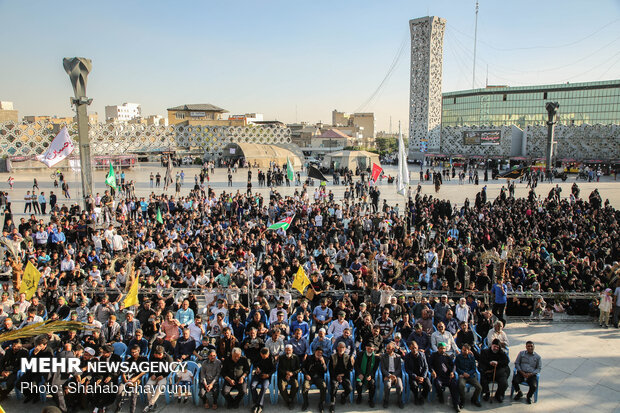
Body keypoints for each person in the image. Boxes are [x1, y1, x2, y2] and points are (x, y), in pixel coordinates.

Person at [429, 342, 461, 412]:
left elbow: (453, 365)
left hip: (447, 376)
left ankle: (456, 404)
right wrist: (432, 371)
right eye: (441, 348)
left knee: (454, 385)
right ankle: (440, 396)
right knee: (437, 383)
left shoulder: (447, 356)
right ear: (438, 348)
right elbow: (430, 365)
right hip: (438, 376)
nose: (442, 350)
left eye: (444, 348)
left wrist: (452, 372)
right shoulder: (434, 355)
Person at [479, 339, 510, 403]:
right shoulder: (485, 352)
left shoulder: (501, 353)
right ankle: (487, 393)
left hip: (498, 373)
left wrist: (498, 363)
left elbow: (506, 362)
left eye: (497, 347)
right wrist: (489, 363)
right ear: (491, 345)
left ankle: (498, 394)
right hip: (488, 372)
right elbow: (481, 361)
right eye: (494, 346)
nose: (496, 348)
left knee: (504, 383)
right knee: (482, 379)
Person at [455, 344, 482, 408]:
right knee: (461, 385)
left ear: (469, 351)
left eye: (465, 350)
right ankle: (462, 400)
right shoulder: (458, 357)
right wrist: (463, 373)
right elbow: (457, 368)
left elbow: (474, 368)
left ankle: (474, 400)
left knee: (479, 387)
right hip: (462, 375)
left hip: (470, 376)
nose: (463, 351)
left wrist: (469, 374)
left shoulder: (472, 357)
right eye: (462, 350)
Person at [328, 342, 353, 412]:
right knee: (334, 386)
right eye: (340, 347)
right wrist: (337, 376)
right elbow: (330, 369)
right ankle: (332, 403)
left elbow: (350, 369)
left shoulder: (348, 357)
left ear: (345, 349)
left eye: (343, 347)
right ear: (337, 348)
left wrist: (342, 376)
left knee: (349, 388)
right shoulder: (333, 357)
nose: (341, 349)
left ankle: (343, 395)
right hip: (335, 376)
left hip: (344, 376)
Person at [404, 341, 431, 405]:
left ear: (418, 347)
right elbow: (407, 369)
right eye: (412, 348)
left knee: (428, 386)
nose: (414, 349)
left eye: (415, 348)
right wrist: (415, 377)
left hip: (422, 375)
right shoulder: (407, 357)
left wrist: (423, 377)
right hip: (413, 376)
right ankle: (416, 397)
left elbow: (426, 367)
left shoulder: (422, 355)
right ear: (410, 348)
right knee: (414, 385)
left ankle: (422, 396)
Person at [302, 348, 327, 413]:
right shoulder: (309, 358)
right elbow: (303, 367)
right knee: (305, 386)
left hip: (318, 377)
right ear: (315, 352)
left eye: (321, 353)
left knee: (323, 386)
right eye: (318, 352)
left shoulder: (323, 359)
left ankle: (321, 403)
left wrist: (323, 363)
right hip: (309, 377)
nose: (319, 354)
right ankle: (305, 402)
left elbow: (325, 371)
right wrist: (306, 374)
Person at [251, 347, 276, 413]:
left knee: (264, 387)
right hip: (258, 374)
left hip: (267, 375)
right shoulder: (258, 356)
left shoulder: (272, 358)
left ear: (268, 354)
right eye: (262, 356)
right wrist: (257, 368)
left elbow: (274, 369)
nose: (263, 358)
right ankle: (257, 403)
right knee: (252, 386)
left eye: (264, 357)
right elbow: (254, 363)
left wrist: (268, 375)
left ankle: (260, 405)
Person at [354, 343, 379, 407]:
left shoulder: (376, 358)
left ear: (373, 349)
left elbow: (375, 369)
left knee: (372, 383)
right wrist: (359, 374)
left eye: (371, 349)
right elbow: (356, 366)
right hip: (361, 374)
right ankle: (359, 396)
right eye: (368, 349)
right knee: (358, 383)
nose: (370, 350)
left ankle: (371, 399)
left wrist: (371, 375)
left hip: (369, 375)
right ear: (365, 348)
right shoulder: (360, 354)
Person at [379, 342, 404, 408]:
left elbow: (399, 369)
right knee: (387, 385)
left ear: (393, 349)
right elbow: (383, 368)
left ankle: (399, 400)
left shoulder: (398, 357)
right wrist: (389, 375)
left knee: (399, 386)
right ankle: (386, 400)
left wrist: (394, 375)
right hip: (388, 375)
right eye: (386, 348)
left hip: (396, 375)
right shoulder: (383, 357)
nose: (387, 350)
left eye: (389, 349)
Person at [278, 344, 301, 409]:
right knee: (281, 386)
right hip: (283, 376)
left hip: (292, 376)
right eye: (287, 350)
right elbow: (279, 368)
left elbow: (299, 369)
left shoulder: (296, 357)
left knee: (296, 385)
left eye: (289, 350)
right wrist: (286, 373)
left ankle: (290, 398)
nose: (288, 352)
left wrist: (292, 373)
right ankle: (289, 401)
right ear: (285, 350)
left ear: (292, 350)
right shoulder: (281, 357)